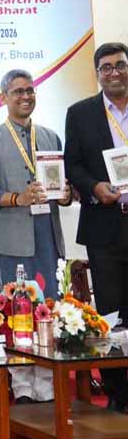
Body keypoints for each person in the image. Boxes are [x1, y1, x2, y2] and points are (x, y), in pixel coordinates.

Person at [0, 69, 69, 403]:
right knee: (16, 311)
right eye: (18, 91)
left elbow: (63, 186)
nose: (26, 97)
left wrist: (66, 194)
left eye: (30, 91)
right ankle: (22, 385)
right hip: (12, 241)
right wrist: (18, 198)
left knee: (48, 309)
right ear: (3, 97)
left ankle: (46, 381)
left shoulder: (51, 137)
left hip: (47, 239)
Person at [65, 41, 128, 411]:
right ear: (97, 73)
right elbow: (72, 164)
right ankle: (118, 392)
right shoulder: (80, 113)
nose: (114, 72)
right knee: (110, 311)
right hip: (105, 227)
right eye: (106, 67)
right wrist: (93, 187)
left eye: (120, 65)